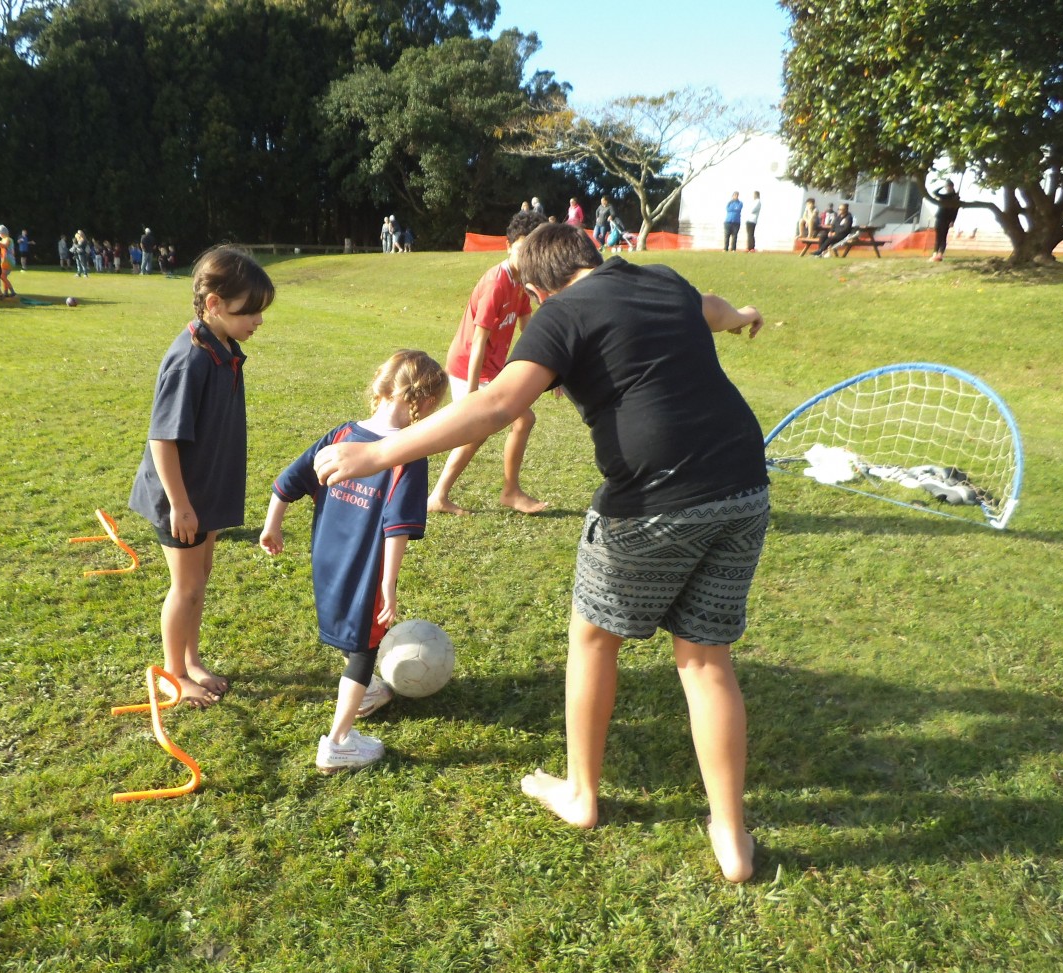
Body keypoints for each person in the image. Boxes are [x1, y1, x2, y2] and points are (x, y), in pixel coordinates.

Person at [313, 223, 769, 883]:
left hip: (654, 498)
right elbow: (715, 310)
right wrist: (746, 315)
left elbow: (497, 402)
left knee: (593, 639)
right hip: (742, 487)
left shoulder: (561, 312)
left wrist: (379, 452)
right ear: (592, 256)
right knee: (704, 661)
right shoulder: (661, 280)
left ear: (535, 288)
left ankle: (581, 794)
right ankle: (730, 834)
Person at [259, 350, 448, 769]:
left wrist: (273, 526)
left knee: (351, 632)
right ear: (428, 401)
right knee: (365, 649)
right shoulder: (407, 453)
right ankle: (339, 741)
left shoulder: (342, 434)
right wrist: (388, 584)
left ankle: (367, 693)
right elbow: (396, 526)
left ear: (381, 384)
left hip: (326, 560)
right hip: (365, 568)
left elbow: (288, 481)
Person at [128, 246, 275, 708]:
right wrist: (181, 505)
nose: (258, 320)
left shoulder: (223, 347)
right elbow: (162, 440)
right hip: (180, 498)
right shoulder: (189, 360)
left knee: (201, 577)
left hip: (202, 491)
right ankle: (173, 675)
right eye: (249, 311)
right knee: (187, 586)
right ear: (214, 304)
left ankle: (191, 661)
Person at [428, 208, 548, 517]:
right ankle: (445, 493)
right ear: (508, 247)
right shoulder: (497, 282)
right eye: (521, 249)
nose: (526, 257)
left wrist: (550, 366)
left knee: (514, 422)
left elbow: (529, 328)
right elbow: (478, 341)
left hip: (492, 370)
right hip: (468, 366)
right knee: (486, 427)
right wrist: (471, 396)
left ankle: (503, 492)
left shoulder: (521, 283)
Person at [930, 180, 960, 262]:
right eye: (946, 187)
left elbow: (955, 211)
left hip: (947, 219)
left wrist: (952, 221)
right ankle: (935, 254)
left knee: (943, 237)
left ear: (952, 187)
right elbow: (934, 192)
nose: (948, 188)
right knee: (938, 237)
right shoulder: (944, 196)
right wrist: (942, 186)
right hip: (939, 217)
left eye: (949, 186)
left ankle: (940, 254)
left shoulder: (955, 197)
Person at [0, 225, 18, 296]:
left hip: (8, 261)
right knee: (4, 277)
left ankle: (12, 291)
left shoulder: (8, 239)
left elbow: (4, 245)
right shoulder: (2, 240)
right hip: (5, 261)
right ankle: (6, 292)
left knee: (2, 276)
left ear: (2, 233)